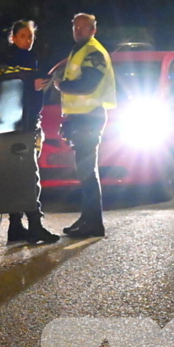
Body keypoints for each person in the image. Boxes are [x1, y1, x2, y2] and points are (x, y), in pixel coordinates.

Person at [0, 20, 60, 244]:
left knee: (20, 174)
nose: (28, 40)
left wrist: (40, 84)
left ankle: (16, 226)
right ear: (13, 37)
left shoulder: (30, 58)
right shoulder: (6, 59)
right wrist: (33, 83)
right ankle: (34, 226)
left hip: (24, 123)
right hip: (18, 125)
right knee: (29, 175)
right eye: (23, 36)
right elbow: (2, 80)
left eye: (30, 36)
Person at [53, 13, 116, 239]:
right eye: (76, 27)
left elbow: (88, 84)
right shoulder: (80, 50)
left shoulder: (93, 51)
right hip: (81, 117)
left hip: (89, 117)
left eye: (84, 27)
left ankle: (94, 223)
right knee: (84, 172)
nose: (78, 30)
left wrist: (62, 86)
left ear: (93, 30)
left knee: (88, 173)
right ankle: (87, 218)